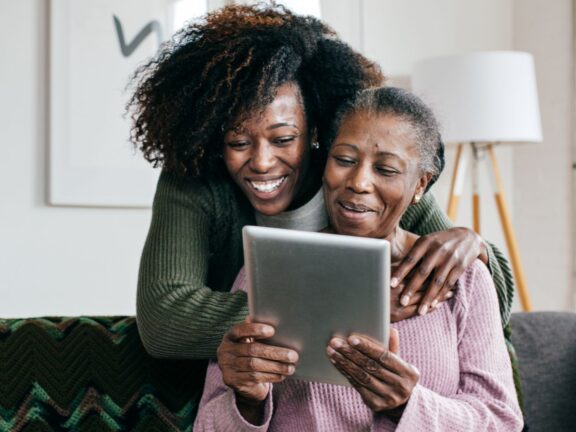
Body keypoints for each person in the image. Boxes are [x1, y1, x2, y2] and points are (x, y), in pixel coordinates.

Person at [129, 3, 515, 366]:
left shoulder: (358, 178)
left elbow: (492, 304)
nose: (262, 162)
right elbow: (165, 321)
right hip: (251, 385)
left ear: (315, 133)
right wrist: (352, 305)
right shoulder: (196, 176)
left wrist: (475, 246)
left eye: (283, 139)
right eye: (238, 142)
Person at [194, 87, 523, 431]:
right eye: (345, 160)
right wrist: (247, 401)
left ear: (420, 185)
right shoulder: (270, 267)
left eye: (386, 169)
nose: (358, 182)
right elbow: (207, 425)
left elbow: (502, 422)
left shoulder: (465, 278)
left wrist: (408, 406)